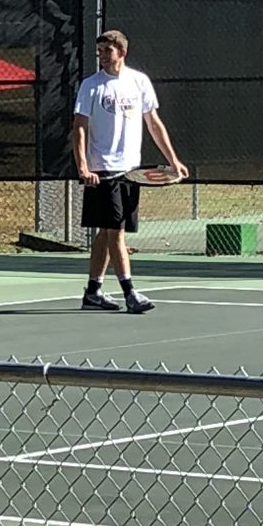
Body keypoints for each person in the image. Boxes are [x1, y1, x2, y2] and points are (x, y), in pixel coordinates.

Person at [71, 30, 186, 314]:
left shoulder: (139, 81)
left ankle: (93, 292)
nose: (102, 56)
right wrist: (83, 166)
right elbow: (79, 127)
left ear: (121, 52)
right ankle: (129, 292)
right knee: (116, 233)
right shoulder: (91, 86)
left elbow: (154, 123)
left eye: (107, 51)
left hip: (130, 170)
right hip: (102, 170)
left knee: (106, 232)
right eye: (99, 51)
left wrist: (173, 159)